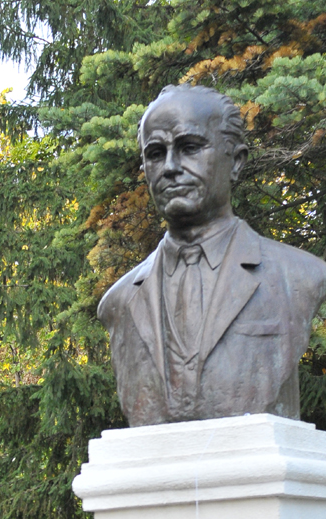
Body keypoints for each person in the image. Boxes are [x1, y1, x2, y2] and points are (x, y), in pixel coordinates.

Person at [98, 84, 326, 426]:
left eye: (190, 147)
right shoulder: (119, 302)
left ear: (235, 162)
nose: (170, 167)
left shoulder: (299, 276)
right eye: (155, 153)